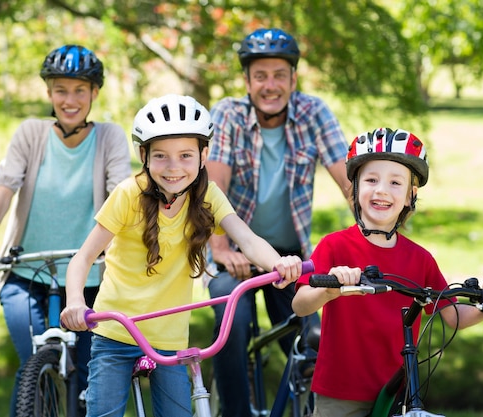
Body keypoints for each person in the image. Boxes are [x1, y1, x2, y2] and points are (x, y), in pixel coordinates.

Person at [59, 93, 305, 417]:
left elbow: (246, 238)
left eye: (185, 155)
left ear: (204, 155)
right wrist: (76, 301)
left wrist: (277, 262)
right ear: (143, 155)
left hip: (170, 338)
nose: (173, 167)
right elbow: (83, 257)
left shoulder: (207, 196)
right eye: (161, 156)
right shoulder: (128, 194)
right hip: (116, 330)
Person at [292, 127, 483, 417]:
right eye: (371, 180)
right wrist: (329, 289)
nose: (382, 190)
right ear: (355, 189)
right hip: (341, 389)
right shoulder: (335, 246)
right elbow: (300, 304)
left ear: (411, 196)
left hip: (398, 390)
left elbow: (451, 316)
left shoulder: (420, 259)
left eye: (396, 183)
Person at [0, 44, 132, 416]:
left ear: (94, 94)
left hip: (90, 279)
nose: (69, 100)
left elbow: (124, 199)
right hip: (25, 272)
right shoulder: (30, 134)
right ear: (48, 92)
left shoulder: (110, 137)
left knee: (88, 375)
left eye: (79, 91)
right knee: (33, 366)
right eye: (60, 90)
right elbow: (4, 193)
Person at [206, 28, 351, 417]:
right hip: (233, 252)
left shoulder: (313, 112)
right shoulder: (227, 114)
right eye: (260, 76)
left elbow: (348, 181)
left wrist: (375, 234)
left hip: (288, 258)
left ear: (294, 79)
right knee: (231, 325)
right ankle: (235, 412)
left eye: (279, 75)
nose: (270, 85)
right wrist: (220, 249)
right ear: (247, 81)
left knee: (312, 340)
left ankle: (309, 405)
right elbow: (213, 186)